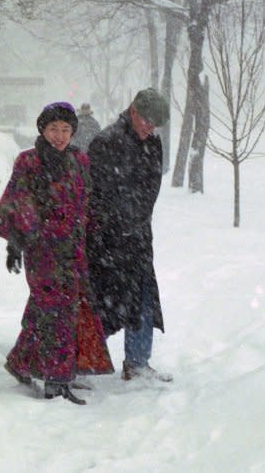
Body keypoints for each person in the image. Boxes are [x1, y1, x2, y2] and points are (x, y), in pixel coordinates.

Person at [0, 102, 113, 405]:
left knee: (50, 310)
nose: (59, 136)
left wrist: (98, 235)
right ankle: (56, 380)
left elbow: (87, 203)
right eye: (53, 129)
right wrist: (15, 243)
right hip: (42, 250)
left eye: (65, 130)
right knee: (57, 312)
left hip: (73, 251)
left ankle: (23, 363)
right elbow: (16, 201)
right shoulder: (29, 162)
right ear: (42, 130)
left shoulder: (79, 161)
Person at [87, 88, 173, 382]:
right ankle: (79, 359)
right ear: (133, 111)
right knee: (103, 302)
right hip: (107, 240)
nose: (150, 128)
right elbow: (99, 194)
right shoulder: (106, 142)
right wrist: (116, 226)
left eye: (156, 124)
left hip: (137, 237)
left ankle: (137, 362)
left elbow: (150, 189)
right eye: (147, 121)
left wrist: (137, 222)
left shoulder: (153, 143)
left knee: (143, 299)